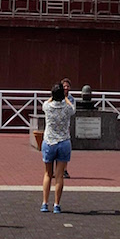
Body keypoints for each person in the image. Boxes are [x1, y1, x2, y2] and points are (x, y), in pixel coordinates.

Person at [40, 81, 75, 213]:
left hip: (49, 141)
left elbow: (47, 102)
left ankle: (44, 203)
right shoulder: (67, 108)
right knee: (59, 175)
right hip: (64, 142)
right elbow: (73, 107)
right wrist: (65, 97)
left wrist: (54, 96)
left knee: (48, 174)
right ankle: (56, 205)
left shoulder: (47, 107)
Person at [61, 76, 75, 178]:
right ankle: (55, 170)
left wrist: (66, 99)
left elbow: (72, 111)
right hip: (57, 127)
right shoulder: (57, 97)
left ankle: (65, 170)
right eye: (64, 86)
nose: (66, 88)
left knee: (65, 150)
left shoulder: (71, 99)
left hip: (66, 127)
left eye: (68, 86)